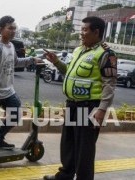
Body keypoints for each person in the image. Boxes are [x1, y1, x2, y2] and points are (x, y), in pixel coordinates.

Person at [43, 16, 117, 180]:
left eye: (85, 30)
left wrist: (102, 109)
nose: (81, 33)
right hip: (73, 105)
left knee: (85, 149)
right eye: (81, 30)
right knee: (68, 143)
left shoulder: (105, 53)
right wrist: (56, 62)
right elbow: (70, 72)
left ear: (96, 32)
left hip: (90, 107)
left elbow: (109, 84)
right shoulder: (79, 50)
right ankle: (65, 175)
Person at [0, 16, 40, 149]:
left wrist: (32, 59)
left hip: (7, 91)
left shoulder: (11, 45)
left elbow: (16, 62)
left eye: (14, 28)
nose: (13, 31)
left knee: (16, 113)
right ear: (1, 30)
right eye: (10, 28)